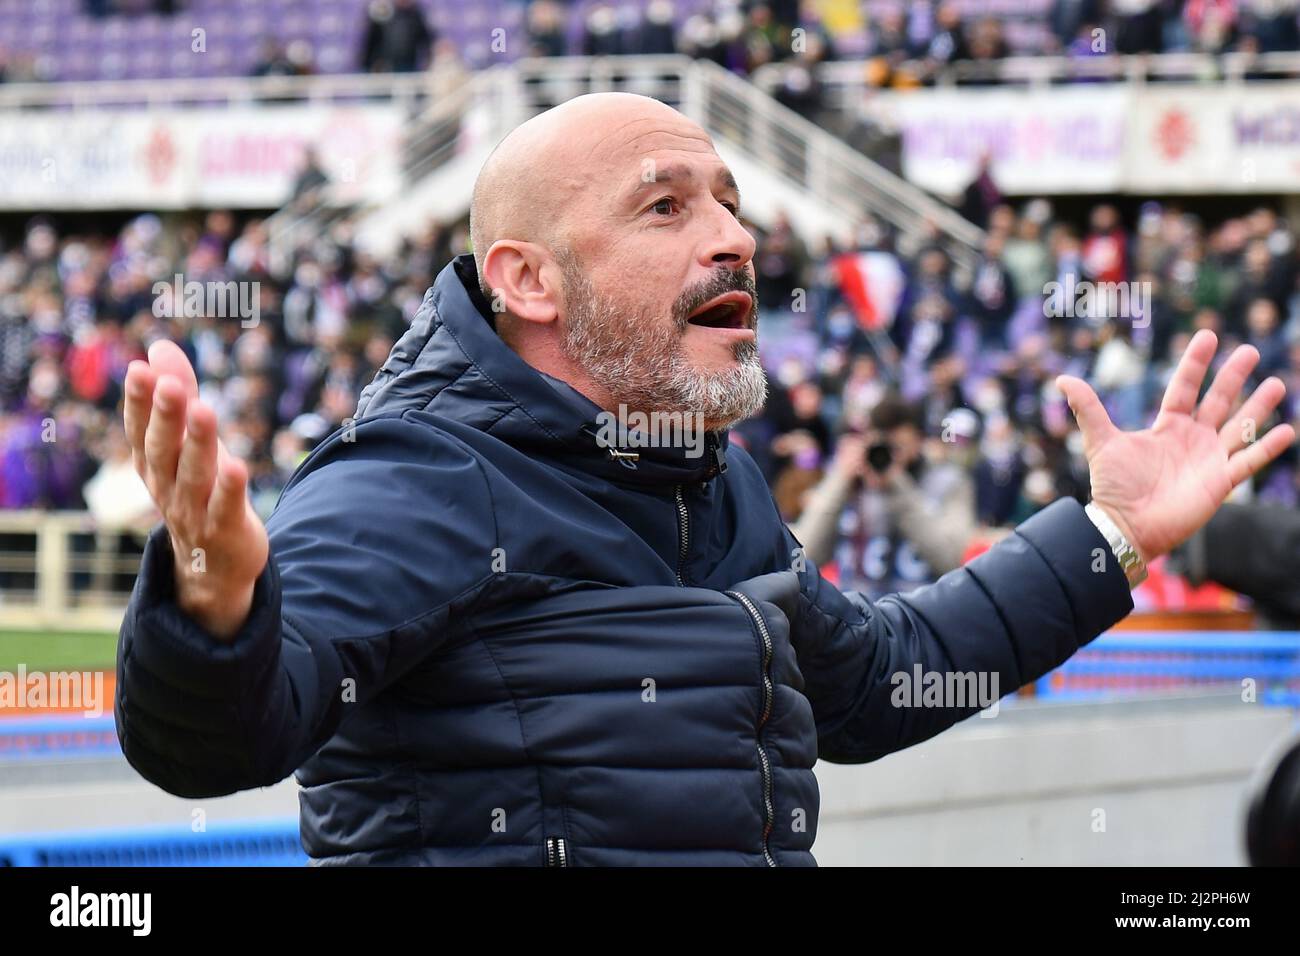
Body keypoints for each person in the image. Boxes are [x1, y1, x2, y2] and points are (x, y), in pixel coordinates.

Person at [114, 92, 1294, 867]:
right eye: (667, 207)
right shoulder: (419, 473)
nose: (731, 234)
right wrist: (211, 617)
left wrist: (1112, 533)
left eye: (728, 197)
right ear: (529, 279)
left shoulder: (708, 480)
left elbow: (879, 684)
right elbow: (217, 744)